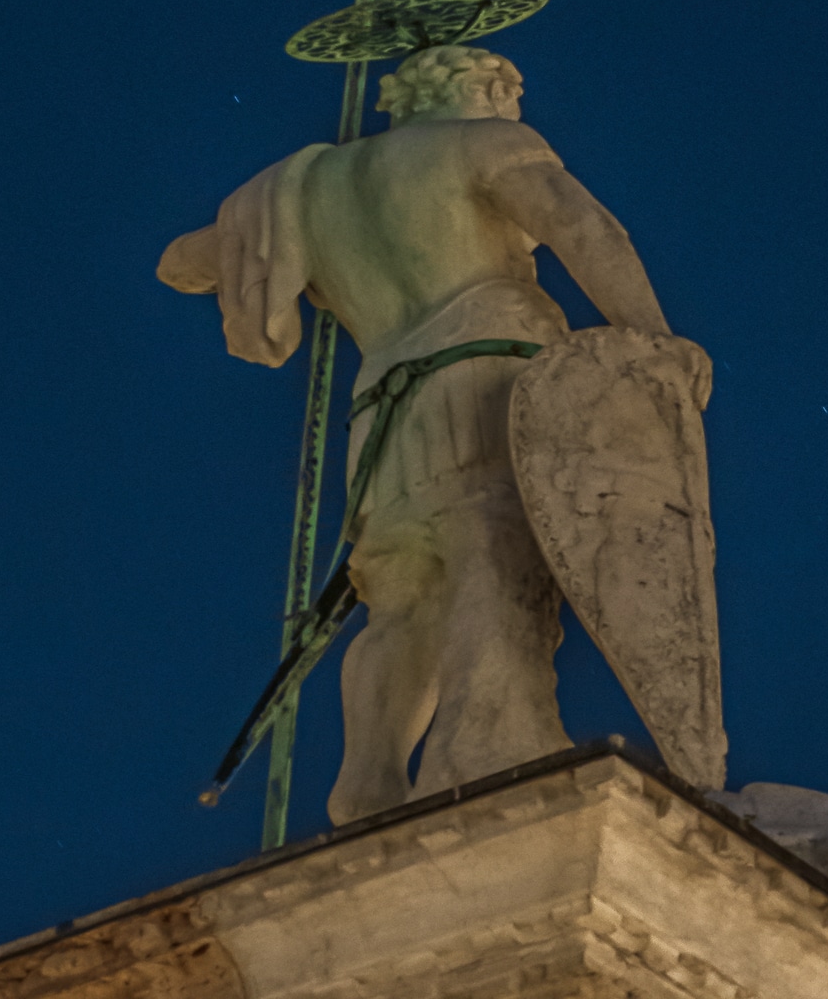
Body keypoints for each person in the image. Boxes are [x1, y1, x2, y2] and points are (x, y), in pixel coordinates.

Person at [158, 45, 673, 823]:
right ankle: (494, 747)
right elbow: (584, 227)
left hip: (384, 413)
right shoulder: (489, 143)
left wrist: (279, 216)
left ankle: (369, 779)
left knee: (401, 601)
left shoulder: (306, 186)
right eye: (511, 96)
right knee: (496, 554)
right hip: (491, 380)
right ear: (485, 89)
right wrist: (654, 343)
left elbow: (180, 265)